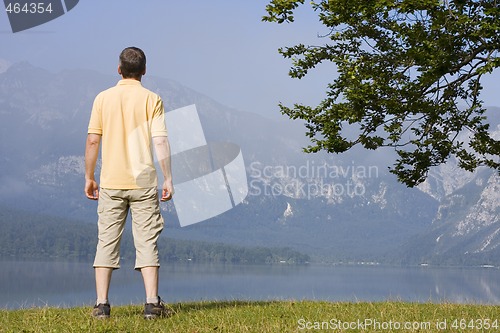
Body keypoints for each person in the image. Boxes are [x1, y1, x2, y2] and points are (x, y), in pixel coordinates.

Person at [84, 47, 174, 319]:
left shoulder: (103, 99)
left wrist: (89, 177)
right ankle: (151, 304)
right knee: (147, 241)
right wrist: (168, 177)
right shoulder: (152, 99)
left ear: (119, 69)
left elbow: (92, 141)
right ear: (144, 70)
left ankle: (101, 305)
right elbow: (160, 140)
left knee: (106, 241)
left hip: (111, 181)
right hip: (143, 182)